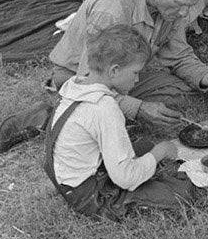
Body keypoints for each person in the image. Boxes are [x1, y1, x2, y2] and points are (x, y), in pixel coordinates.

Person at [0, 0, 208, 152]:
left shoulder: (172, 7)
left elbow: (178, 55)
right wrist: (138, 108)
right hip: (79, 78)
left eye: (189, 5)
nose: (185, 13)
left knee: (179, 95)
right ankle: (48, 113)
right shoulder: (112, 9)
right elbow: (88, 80)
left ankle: (113, 113)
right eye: (180, 4)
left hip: (123, 73)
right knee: (103, 119)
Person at [45, 25, 193, 218]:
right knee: (180, 193)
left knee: (145, 147)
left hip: (67, 178)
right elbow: (126, 178)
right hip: (88, 195)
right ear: (114, 71)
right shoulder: (104, 107)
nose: (137, 79)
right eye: (135, 73)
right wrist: (160, 152)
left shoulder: (77, 84)